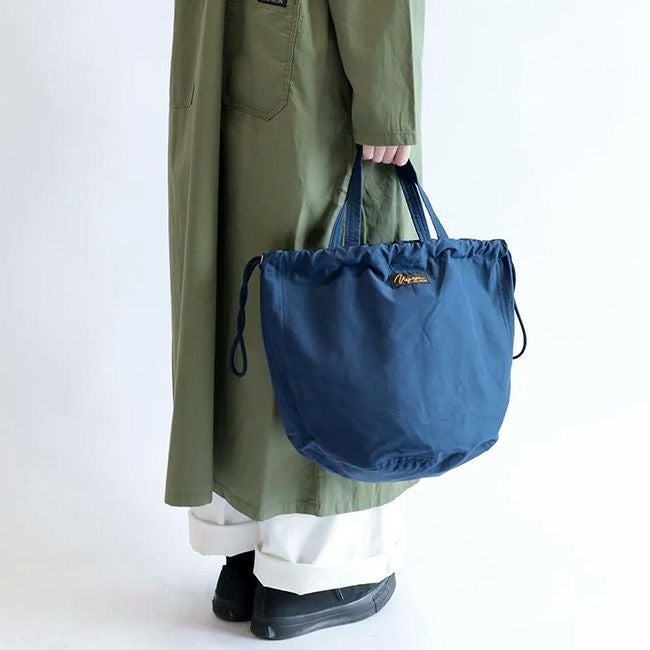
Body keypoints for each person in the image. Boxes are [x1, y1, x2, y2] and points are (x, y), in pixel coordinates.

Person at [165, 0, 426, 640]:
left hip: (225, 34)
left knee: (244, 254)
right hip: (310, 54)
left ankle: (247, 545)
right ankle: (314, 567)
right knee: (332, 274)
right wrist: (387, 91)